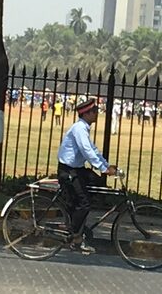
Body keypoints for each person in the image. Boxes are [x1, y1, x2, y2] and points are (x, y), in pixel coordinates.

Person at [57, 97, 117, 255]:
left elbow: (93, 149)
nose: (97, 114)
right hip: (69, 170)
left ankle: (78, 224)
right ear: (87, 114)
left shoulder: (84, 128)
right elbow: (87, 151)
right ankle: (75, 235)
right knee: (84, 204)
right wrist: (103, 168)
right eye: (95, 111)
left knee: (97, 186)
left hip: (77, 169)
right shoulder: (79, 129)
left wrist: (106, 165)